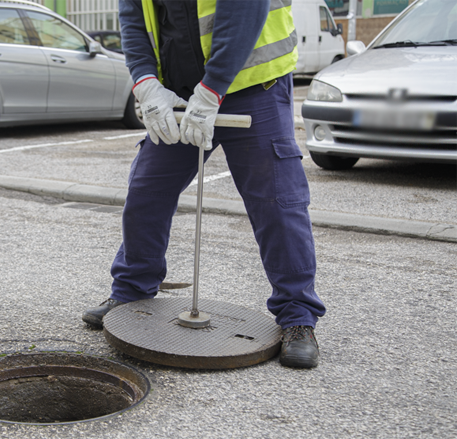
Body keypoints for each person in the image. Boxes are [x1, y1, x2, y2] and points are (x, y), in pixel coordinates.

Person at [82, 0, 326, 368]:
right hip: (177, 93)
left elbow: (245, 12)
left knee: (276, 202)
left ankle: (297, 318)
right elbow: (134, 22)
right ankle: (131, 294)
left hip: (254, 86)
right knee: (146, 191)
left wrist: (212, 91)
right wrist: (147, 85)